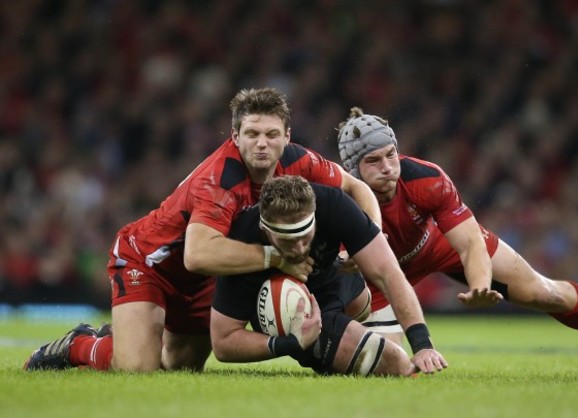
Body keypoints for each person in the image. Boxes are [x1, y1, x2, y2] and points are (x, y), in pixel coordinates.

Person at [23, 88, 380, 372]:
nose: (262, 143)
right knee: (136, 368)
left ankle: (126, 335)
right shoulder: (219, 181)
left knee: (179, 365)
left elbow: (357, 188)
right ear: (235, 135)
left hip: (207, 279)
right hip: (149, 263)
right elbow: (197, 254)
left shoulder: (299, 161)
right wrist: (279, 257)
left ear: (287, 136)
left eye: (271, 134)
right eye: (252, 133)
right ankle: (81, 344)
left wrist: (367, 243)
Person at [335, 107, 578, 355]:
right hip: (378, 274)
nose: (388, 168)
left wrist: (479, 285)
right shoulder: (333, 199)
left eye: (391, 155)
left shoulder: (425, 179)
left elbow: (471, 242)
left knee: (541, 292)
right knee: (383, 361)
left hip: (437, 244)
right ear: (351, 168)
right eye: (373, 161)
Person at [210, 175, 447, 376]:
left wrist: (422, 344)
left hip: (333, 279)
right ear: (265, 230)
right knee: (396, 363)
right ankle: (327, 345)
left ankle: (343, 339)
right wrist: (291, 343)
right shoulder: (241, 240)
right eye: (287, 240)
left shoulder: (333, 204)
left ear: (315, 216)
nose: (300, 248)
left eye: (305, 236)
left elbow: (388, 272)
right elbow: (223, 343)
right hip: (293, 314)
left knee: (361, 301)